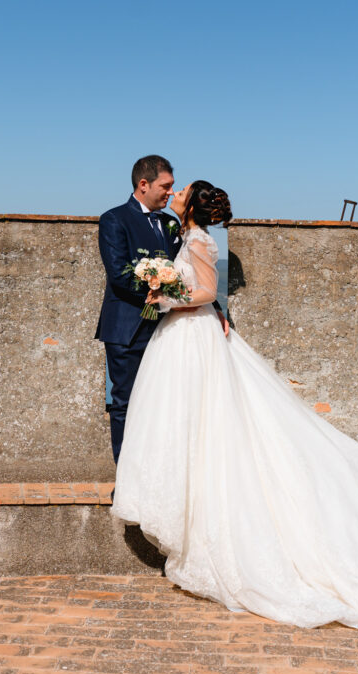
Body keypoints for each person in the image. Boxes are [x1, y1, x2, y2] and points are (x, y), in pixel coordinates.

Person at [109, 180, 358, 644]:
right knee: (186, 423)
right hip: (181, 338)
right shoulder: (182, 233)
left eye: (181, 190)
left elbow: (207, 291)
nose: (174, 194)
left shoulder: (198, 239)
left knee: (211, 423)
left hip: (193, 336)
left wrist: (165, 296)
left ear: (190, 203)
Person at [95, 155, 228, 463]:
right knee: (125, 402)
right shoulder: (114, 220)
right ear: (144, 184)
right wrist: (160, 292)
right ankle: (126, 476)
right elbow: (120, 274)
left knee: (165, 404)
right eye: (165, 186)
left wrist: (215, 306)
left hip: (167, 331)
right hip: (127, 329)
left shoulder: (172, 224)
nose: (171, 193)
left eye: (173, 188)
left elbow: (195, 272)